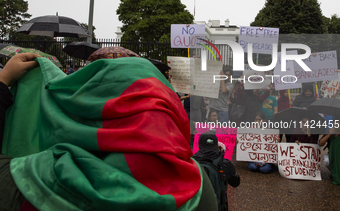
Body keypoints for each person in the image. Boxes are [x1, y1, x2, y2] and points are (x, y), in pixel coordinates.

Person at [0, 53, 218, 211]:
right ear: (169, 107)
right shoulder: (195, 188)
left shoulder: (27, 179)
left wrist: (3, 81)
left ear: (79, 105)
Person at [192, 132, 240, 211]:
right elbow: (235, 182)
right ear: (217, 147)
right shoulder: (225, 163)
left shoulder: (191, 162)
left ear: (198, 147)